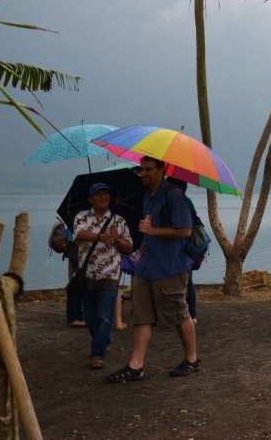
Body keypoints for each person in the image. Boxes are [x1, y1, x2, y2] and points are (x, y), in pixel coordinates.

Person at [106, 156, 197, 383]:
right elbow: (148, 230)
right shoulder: (148, 196)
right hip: (146, 266)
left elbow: (185, 230)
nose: (143, 173)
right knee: (141, 316)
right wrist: (140, 250)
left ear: (161, 170)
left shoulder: (174, 195)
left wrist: (154, 231)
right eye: (141, 169)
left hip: (170, 267)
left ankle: (192, 360)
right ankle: (135, 366)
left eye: (148, 169)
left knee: (179, 313)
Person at [73, 183, 133, 369]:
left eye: (106, 194)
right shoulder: (82, 216)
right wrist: (99, 236)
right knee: (90, 317)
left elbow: (129, 247)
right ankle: (103, 339)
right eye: (98, 194)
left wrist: (117, 238)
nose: (102, 197)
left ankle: (97, 354)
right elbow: (78, 234)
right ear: (90, 199)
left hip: (111, 273)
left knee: (104, 316)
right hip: (87, 273)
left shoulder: (119, 221)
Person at [167, 176, 197, 324]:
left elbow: (185, 229)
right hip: (187, 248)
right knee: (188, 281)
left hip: (184, 247)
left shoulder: (179, 201)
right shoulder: (187, 201)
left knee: (187, 282)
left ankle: (191, 314)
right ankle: (193, 314)